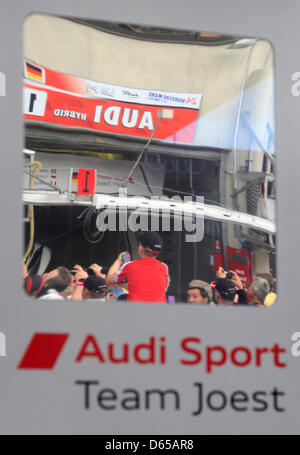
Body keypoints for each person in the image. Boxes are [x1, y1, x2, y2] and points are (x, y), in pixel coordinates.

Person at [106, 232, 169, 303]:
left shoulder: (129, 266)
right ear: (158, 252)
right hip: (158, 312)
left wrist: (118, 260)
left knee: (114, 295)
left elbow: (109, 280)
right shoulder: (164, 267)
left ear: (141, 249)